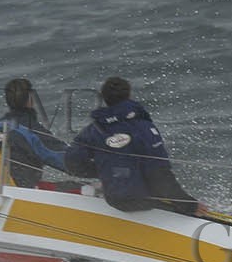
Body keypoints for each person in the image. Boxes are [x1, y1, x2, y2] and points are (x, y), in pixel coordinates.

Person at [62, 77, 200, 215]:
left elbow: (72, 163)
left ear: (104, 99)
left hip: (115, 199)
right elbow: (158, 173)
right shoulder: (144, 128)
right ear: (129, 95)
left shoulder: (93, 130)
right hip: (143, 200)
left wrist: (107, 174)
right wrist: (188, 204)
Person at [0, 78, 70, 188]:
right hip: (21, 188)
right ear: (30, 99)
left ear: (7, 101)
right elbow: (63, 159)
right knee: (75, 187)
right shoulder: (33, 130)